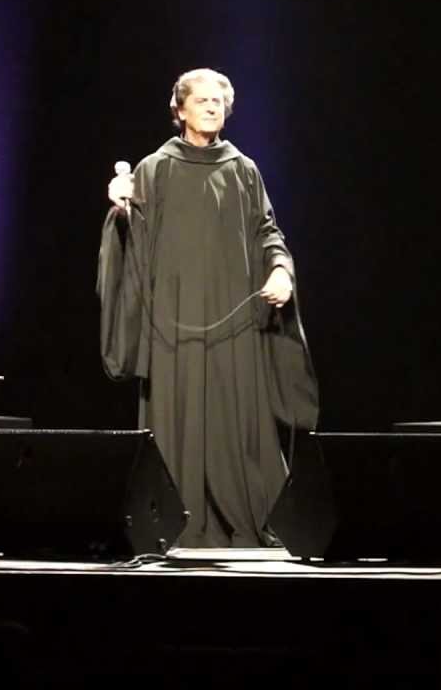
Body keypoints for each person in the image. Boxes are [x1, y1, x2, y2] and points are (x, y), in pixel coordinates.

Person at [97, 68, 319, 548]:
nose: (212, 107)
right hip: (172, 324)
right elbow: (130, 243)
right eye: (202, 101)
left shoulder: (243, 170)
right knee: (172, 422)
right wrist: (119, 211)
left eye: (219, 101)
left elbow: (267, 233)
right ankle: (171, 519)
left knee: (240, 424)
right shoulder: (154, 169)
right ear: (179, 110)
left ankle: (252, 514)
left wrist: (281, 271)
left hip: (233, 324)